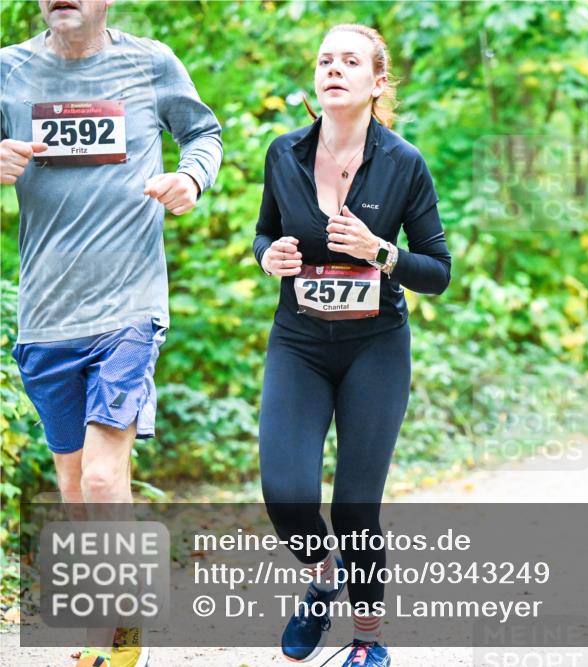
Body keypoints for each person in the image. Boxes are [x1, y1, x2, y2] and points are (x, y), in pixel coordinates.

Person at [1, 0, 222, 665]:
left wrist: (190, 177)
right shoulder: (8, 71)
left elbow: (204, 133)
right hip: (45, 314)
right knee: (73, 485)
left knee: (102, 480)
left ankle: (123, 634)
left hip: (129, 305)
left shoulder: (149, 62)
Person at [253, 23, 451, 667]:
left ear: (376, 82)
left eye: (350, 61)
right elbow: (263, 236)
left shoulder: (403, 163)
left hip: (375, 349)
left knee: (355, 503)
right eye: (325, 60)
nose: (333, 69)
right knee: (285, 491)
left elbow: (439, 272)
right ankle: (323, 576)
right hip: (299, 345)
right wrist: (269, 256)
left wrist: (381, 251)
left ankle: (367, 643)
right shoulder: (283, 153)